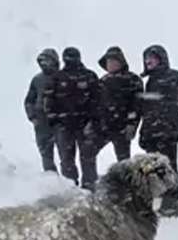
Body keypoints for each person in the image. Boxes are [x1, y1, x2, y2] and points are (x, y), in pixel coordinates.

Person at [138, 44, 178, 217]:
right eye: (146, 58)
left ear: (161, 59)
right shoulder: (150, 81)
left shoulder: (173, 76)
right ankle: (162, 202)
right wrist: (144, 132)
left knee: (169, 167)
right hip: (152, 132)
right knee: (154, 169)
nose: (148, 61)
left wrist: (165, 125)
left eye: (152, 57)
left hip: (167, 132)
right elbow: (147, 110)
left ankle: (172, 204)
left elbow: (176, 104)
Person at [52, 46, 101, 189]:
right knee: (66, 159)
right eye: (68, 57)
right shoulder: (57, 77)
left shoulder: (89, 76)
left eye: (73, 57)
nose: (70, 60)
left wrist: (94, 120)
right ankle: (70, 187)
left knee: (88, 157)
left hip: (85, 124)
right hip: (64, 125)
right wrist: (54, 121)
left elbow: (98, 99)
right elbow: (49, 100)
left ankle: (90, 187)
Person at [96, 46, 144, 162]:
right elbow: (96, 104)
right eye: (108, 61)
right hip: (104, 126)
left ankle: (125, 174)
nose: (110, 64)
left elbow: (137, 104)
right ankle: (90, 175)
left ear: (121, 62)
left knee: (123, 160)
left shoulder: (133, 79)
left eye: (113, 61)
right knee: (88, 151)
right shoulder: (102, 81)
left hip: (122, 127)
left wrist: (132, 124)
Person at [23, 48, 61, 172]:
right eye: (42, 60)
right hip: (41, 122)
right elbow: (29, 101)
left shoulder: (63, 77)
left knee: (65, 155)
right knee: (46, 154)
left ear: (54, 61)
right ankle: (52, 179)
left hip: (60, 121)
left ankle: (69, 180)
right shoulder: (37, 80)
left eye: (47, 60)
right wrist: (32, 117)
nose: (44, 63)